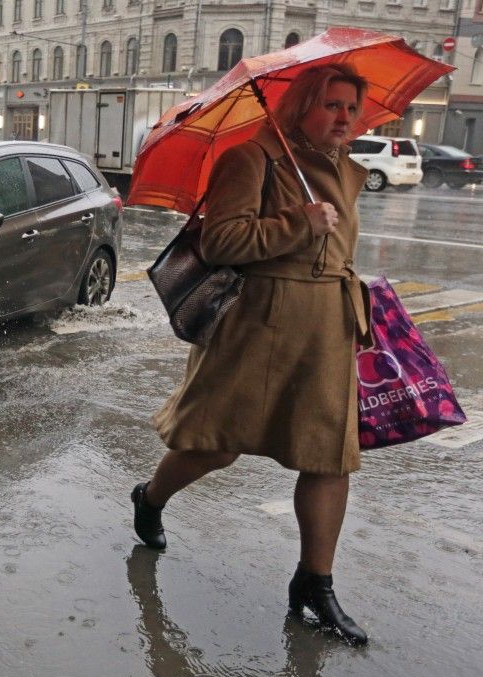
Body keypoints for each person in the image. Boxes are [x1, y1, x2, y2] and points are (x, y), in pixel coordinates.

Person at [131, 64, 371, 645]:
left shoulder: (345, 171)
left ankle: (315, 584)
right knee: (215, 445)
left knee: (328, 459)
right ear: (301, 108)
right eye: (331, 105)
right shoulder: (252, 158)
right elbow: (222, 242)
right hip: (259, 325)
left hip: (325, 330)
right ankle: (150, 497)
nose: (343, 118)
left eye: (350, 108)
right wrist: (299, 223)